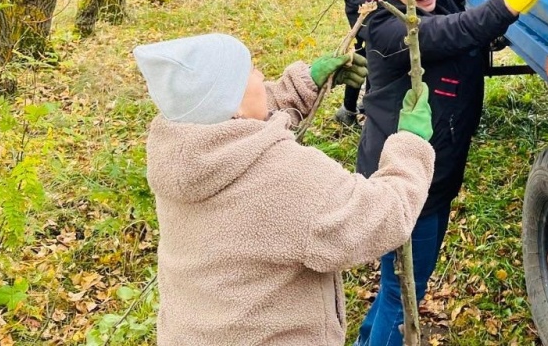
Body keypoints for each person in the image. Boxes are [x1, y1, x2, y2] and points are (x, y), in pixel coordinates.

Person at [352, 0, 548, 346]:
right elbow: (471, 26)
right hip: (403, 181)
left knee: (395, 286)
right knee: (403, 293)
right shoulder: (393, 29)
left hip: (433, 167)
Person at [134, 33, 436, 346]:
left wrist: (304, 84)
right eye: (251, 71)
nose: (260, 75)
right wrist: (410, 146)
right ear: (232, 102)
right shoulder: (285, 177)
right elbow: (382, 217)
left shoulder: (181, 155)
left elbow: (236, 125)